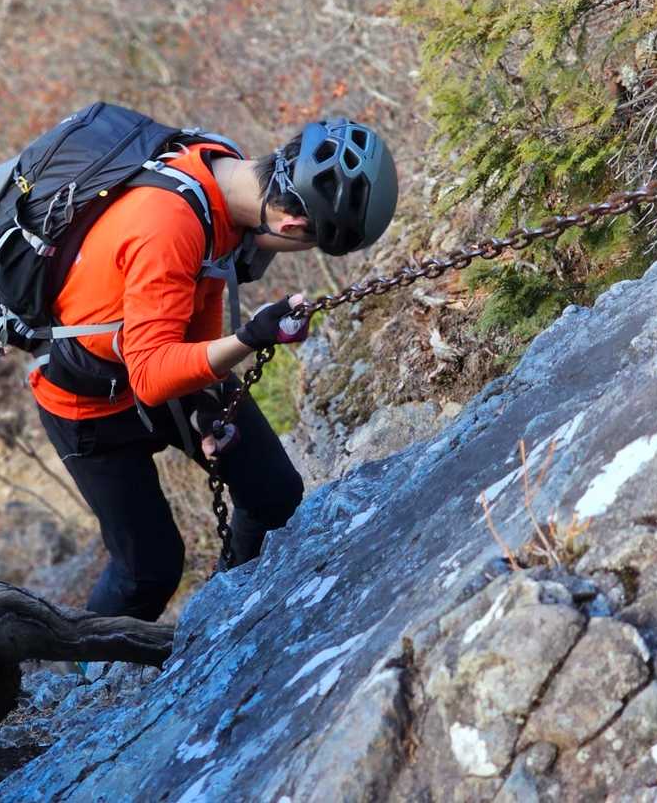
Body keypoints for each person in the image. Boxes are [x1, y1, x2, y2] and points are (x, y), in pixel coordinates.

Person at [30, 118, 398, 621]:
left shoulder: (225, 171)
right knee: (148, 571)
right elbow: (150, 376)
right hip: (88, 401)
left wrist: (206, 400)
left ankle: (225, 619)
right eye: (306, 243)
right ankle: (85, 666)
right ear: (291, 227)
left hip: (160, 349)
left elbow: (204, 282)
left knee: (273, 495)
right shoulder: (167, 223)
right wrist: (250, 338)